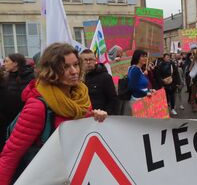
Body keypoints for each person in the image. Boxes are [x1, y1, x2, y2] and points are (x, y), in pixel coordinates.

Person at [0, 43, 107, 184]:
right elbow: (10, 155)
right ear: (51, 70)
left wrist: (95, 117)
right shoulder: (37, 107)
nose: (74, 71)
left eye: (76, 64)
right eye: (65, 67)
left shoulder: (80, 96)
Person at [3, 53, 34, 138]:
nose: (4, 63)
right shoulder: (6, 77)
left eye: (6, 61)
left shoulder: (31, 76)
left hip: (25, 120)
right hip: (9, 120)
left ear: (15, 63)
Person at [80, 49, 118, 115]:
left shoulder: (105, 77)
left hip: (100, 119)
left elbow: (113, 100)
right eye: (85, 60)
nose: (88, 62)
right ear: (80, 62)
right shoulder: (77, 78)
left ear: (95, 61)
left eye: (91, 59)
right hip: (82, 118)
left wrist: (106, 114)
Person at [128, 50, 154, 115]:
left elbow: (140, 85)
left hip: (142, 99)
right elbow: (132, 86)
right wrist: (146, 93)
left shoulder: (139, 69)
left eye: (146, 56)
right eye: (142, 56)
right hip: (138, 101)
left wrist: (149, 90)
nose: (145, 58)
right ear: (137, 57)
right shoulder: (135, 69)